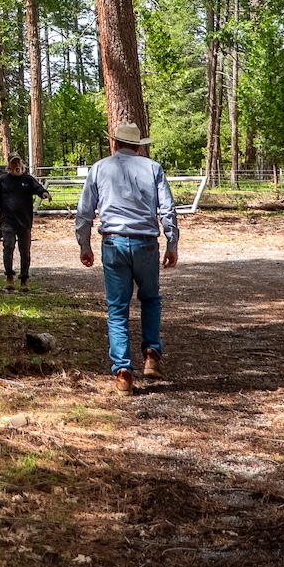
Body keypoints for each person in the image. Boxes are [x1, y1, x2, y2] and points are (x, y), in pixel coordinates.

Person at [76, 122, 179, 395]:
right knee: (150, 299)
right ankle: (151, 355)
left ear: (116, 143)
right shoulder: (153, 168)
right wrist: (172, 242)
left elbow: (85, 210)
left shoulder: (99, 168)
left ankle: (123, 372)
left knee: (117, 309)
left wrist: (84, 245)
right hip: (145, 243)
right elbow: (167, 209)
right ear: (138, 145)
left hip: (113, 243)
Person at [0, 155, 50, 291]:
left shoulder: (28, 180)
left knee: (25, 251)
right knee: (8, 247)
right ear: (8, 166)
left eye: (18, 162)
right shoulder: (2, 180)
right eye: (13, 163)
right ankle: (9, 276)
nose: (17, 165)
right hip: (8, 221)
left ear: (22, 165)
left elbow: (38, 188)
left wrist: (44, 193)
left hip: (24, 221)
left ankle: (24, 279)